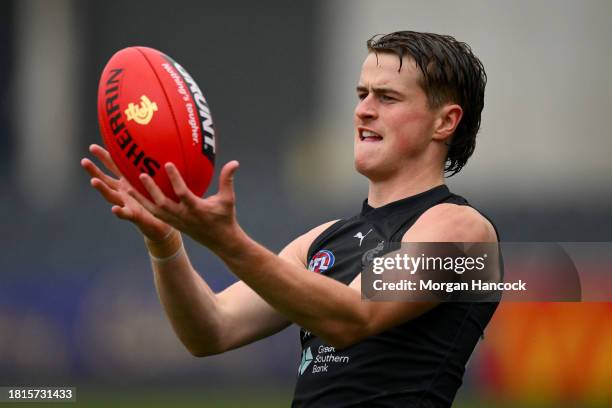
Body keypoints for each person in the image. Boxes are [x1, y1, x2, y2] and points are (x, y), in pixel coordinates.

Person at [82, 31, 500, 407]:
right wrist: (165, 240)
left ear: (445, 121)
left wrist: (228, 241)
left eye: (387, 97)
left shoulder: (462, 230)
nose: (363, 111)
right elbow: (211, 329)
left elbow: (354, 316)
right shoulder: (320, 242)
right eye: (361, 95)